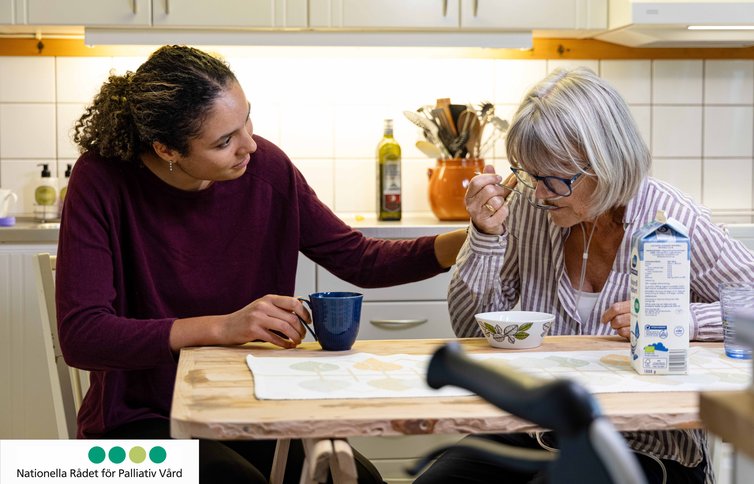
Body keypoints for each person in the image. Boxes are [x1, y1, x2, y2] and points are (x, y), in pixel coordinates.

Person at [56, 45, 466, 484]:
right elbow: (84, 336)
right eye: (223, 141)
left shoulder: (264, 166)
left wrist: (467, 240)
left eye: (246, 118)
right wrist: (223, 327)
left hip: (251, 403)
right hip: (137, 424)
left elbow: (359, 259)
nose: (249, 144)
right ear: (166, 148)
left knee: (356, 480)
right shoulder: (101, 178)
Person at [416, 67, 754, 483]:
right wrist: (486, 235)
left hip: (644, 446)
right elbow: (470, 326)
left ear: (605, 165)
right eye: (528, 174)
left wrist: (682, 322)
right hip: (535, 431)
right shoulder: (526, 206)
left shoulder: (675, 218)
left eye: (552, 179)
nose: (537, 193)